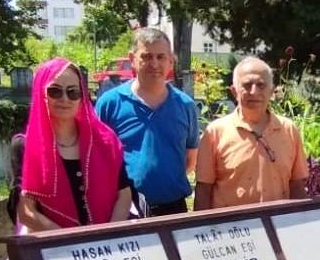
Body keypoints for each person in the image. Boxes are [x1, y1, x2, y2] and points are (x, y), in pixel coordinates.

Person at [19, 58, 133, 230]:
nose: (65, 99)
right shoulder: (25, 145)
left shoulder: (105, 141)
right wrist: (70, 241)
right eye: (55, 91)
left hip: (106, 244)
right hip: (52, 246)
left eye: (73, 92)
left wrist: (107, 235)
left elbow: (124, 194)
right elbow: (26, 211)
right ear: (40, 92)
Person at [95, 27, 198, 217]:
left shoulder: (185, 106)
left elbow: (190, 158)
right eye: (147, 57)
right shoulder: (109, 104)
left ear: (170, 61)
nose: (155, 64)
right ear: (132, 58)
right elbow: (97, 159)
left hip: (173, 209)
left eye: (161, 57)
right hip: (124, 209)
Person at [194, 56, 308, 209]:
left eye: (261, 85)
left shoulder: (288, 130)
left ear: (271, 91)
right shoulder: (215, 133)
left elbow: (297, 185)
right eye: (247, 85)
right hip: (232, 229)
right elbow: (203, 190)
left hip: (279, 227)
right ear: (234, 91)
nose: (254, 92)